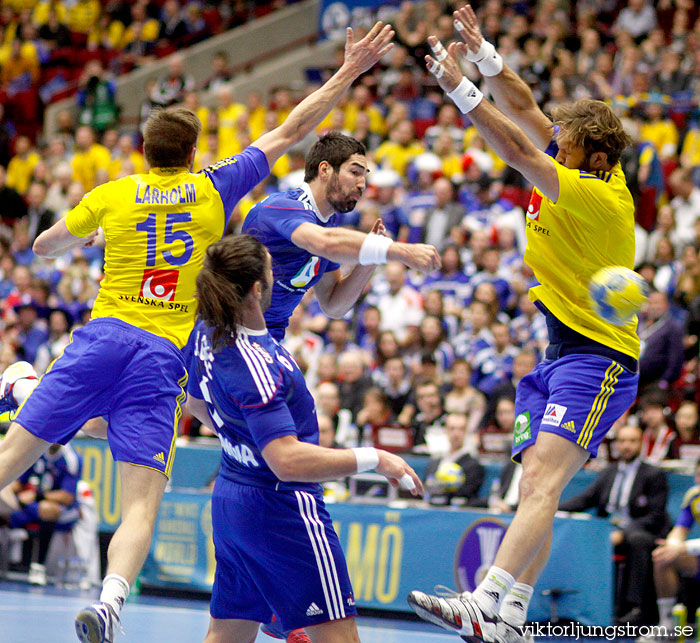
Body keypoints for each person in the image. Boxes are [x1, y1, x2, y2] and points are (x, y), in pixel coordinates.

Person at [0, 21, 396, 643]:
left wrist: (97, 235)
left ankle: (24, 389)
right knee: (168, 480)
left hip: (124, 336)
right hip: (173, 351)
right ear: (191, 154)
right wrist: (347, 71)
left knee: (31, 448)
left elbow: (45, 247)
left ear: (144, 151)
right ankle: (128, 601)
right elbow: (293, 129)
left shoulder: (115, 192)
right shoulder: (216, 184)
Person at [408, 7, 640, 642]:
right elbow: (529, 108)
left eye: (563, 139)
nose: (552, 139)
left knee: (538, 480)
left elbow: (511, 144)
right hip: (556, 352)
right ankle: (512, 616)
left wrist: (459, 89)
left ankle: (486, 602)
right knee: (536, 485)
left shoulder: (591, 193)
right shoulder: (579, 160)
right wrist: (487, 58)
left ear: (591, 154)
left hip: (599, 359)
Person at [186, 234, 423, 643]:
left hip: (232, 499)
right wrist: (375, 459)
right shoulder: (256, 364)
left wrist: (240, 439)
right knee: (340, 637)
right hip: (283, 506)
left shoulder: (208, 332)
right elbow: (288, 461)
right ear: (258, 289)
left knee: (227, 635)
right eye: (272, 269)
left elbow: (194, 402)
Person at [242, 131, 441, 342]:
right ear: (325, 169)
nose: (362, 184)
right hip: (233, 333)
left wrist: (370, 259)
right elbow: (324, 242)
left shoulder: (327, 223)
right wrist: (402, 251)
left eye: (364, 175)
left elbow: (333, 304)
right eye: (355, 172)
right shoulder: (283, 206)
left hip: (268, 339)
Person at [559, 425, 671, 625]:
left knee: (637, 541)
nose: (626, 446)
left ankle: (634, 608)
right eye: (622, 441)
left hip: (641, 531)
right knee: (578, 531)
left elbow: (656, 516)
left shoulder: (654, 475)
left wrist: (624, 532)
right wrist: (550, 507)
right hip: (607, 530)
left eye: (632, 441)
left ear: (641, 444)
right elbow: (585, 500)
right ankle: (580, 604)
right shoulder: (608, 472)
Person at [649, 459, 700, 639]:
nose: (698, 481)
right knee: (663, 557)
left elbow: (683, 544)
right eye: (698, 475)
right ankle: (667, 625)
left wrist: (682, 547)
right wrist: (672, 546)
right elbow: (678, 532)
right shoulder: (694, 496)